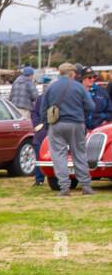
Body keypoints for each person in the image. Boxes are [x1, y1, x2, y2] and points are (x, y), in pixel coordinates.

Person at [40, 63, 95, 196]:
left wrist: (47, 125)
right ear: (72, 73)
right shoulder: (79, 87)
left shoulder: (51, 87)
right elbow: (91, 106)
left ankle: (64, 187)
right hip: (76, 123)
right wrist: (83, 116)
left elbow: (43, 109)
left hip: (57, 125)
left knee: (59, 156)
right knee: (79, 154)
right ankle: (86, 186)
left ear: (60, 73)